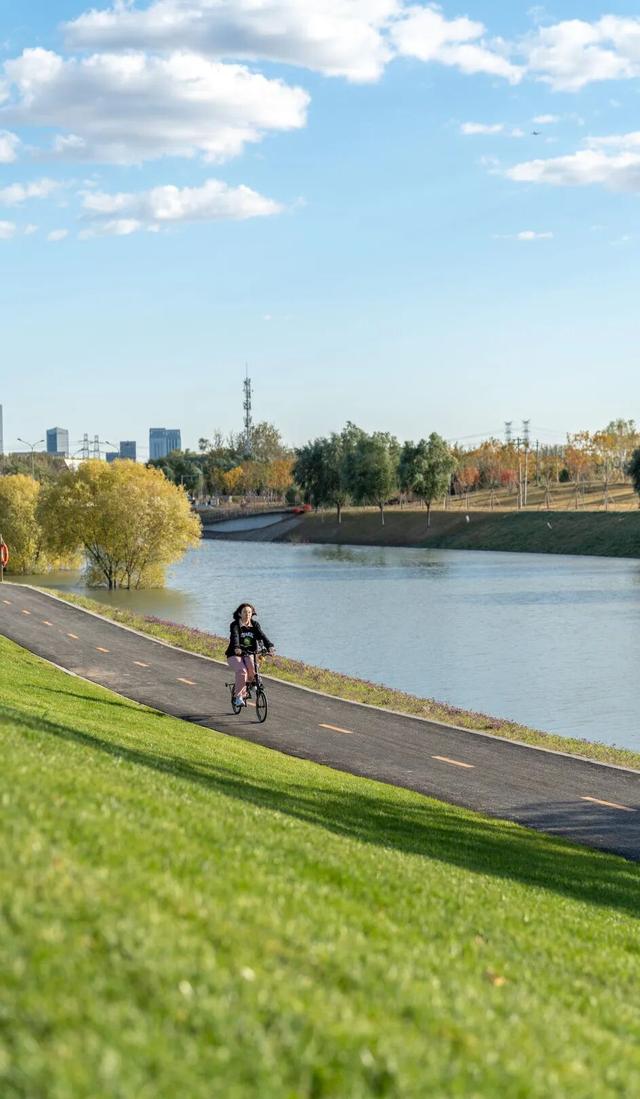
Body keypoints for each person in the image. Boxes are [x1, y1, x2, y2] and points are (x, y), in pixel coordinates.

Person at [225, 603, 275, 708]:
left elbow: (262, 635)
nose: (247, 614)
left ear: (252, 614)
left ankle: (250, 684)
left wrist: (269, 646)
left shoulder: (255, 625)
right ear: (239, 613)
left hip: (249, 653)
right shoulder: (235, 625)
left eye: (249, 612)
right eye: (244, 612)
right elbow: (235, 637)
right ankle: (238, 697)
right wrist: (237, 647)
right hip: (235, 654)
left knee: (253, 668)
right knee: (242, 671)